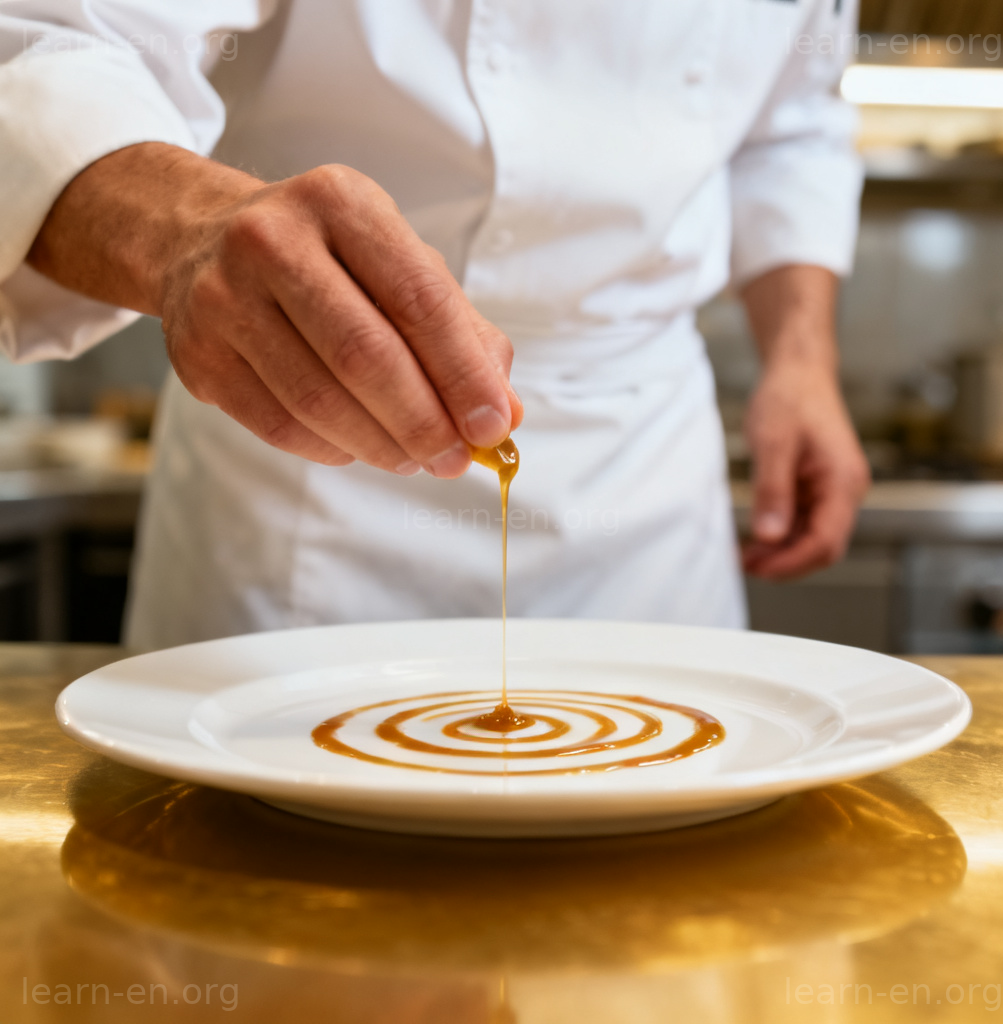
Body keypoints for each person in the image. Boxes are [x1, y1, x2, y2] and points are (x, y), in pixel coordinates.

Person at [0, 1, 870, 650]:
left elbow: (789, 132)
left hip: (643, 471)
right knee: (259, 866)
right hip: (299, 431)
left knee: (663, 861)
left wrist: (802, 361)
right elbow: (56, 40)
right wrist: (189, 229)